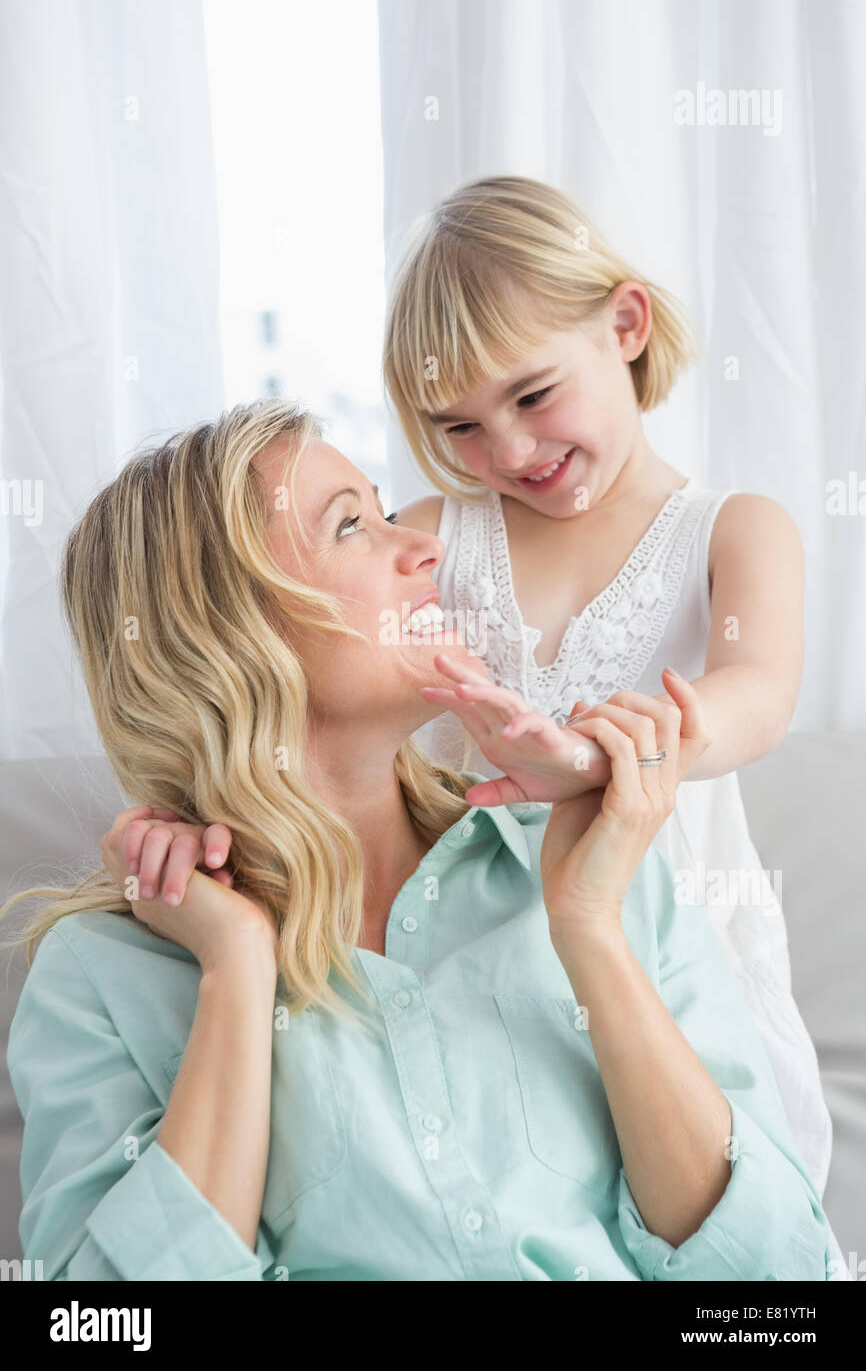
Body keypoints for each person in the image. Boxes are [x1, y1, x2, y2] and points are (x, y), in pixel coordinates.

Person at [2, 399, 831, 1280]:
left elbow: (777, 1290)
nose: (425, 547)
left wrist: (589, 927)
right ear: (227, 635)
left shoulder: (602, 865)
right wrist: (237, 971)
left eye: (382, 511)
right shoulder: (101, 975)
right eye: (351, 526)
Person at [384, 174, 835, 1211]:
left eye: (532, 395)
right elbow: (327, 693)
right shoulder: (428, 535)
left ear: (623, 324)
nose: (506, 452)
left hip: (676, 974)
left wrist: (602, 760)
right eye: (456, 426)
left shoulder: (733, 529)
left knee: (703, 1218)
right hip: (481, 977)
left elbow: (752, 697)